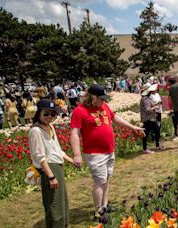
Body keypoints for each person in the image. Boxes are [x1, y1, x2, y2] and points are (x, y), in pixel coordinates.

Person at [70, 84, 145, 223]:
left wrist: (132, 127)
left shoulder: (103, 106)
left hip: (109, 150)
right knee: (100, 181)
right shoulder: (79, 111)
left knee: (107, 178)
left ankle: (104, 205)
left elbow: (115, 118)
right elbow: (74, 133)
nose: (103, 101)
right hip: (94, 152)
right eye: (101, 98)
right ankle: (98, 212)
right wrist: (77, 154)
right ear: (92, 97)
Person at [28, 99, 74, 228]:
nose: (50, 117)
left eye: (53, 114)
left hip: (57, 166)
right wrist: (50, 176)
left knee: (61, 201)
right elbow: (39, 156)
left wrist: (70, 159)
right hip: (49, 168)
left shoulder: (50, 127)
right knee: (53, 203)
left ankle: (63, 225)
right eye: (46, 114)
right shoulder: (36, 131)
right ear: (39, 113)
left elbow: (56, 148)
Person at [140, 83, 164, 154]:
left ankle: (157, 145)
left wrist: (156, 105)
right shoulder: (145, 99)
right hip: (148, 119)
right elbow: (147, 110)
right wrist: (155, 107)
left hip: (150, 118)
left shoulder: (146, 98)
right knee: (146, 134)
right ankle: (145, 149)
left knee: (156, 131)